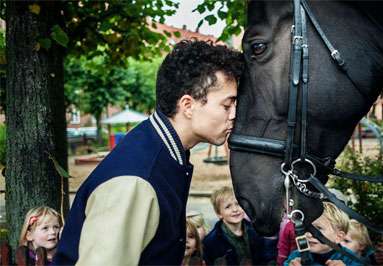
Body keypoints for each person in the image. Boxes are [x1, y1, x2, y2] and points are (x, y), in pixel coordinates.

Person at [53, 39, 244, 265]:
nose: (234, 114)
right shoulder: (135, 180)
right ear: (188, 105)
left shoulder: (163, 151)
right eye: (226, 105)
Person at [202, 186, 276, 265]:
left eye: (238, 204)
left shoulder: (255, 231)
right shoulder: (211, 241)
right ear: (219, 214)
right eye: (228, 207)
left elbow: (266, 257)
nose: (235, 209)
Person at [284, 202, 362, 266]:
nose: (309, 234)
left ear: (338, 237)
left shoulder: (350, 260)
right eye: (307, 227)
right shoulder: (296, 256)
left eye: (318, 228)